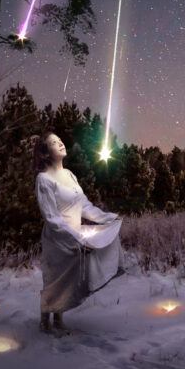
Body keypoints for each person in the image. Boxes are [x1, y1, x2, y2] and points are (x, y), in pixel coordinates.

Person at [34, 132, 123, 335]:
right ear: (46, 152)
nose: (61, 143)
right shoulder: (44, 179)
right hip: (57, 238)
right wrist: (75, 239)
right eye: (54, 143)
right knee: (54, 279)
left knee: (68, 280)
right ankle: (44, 323)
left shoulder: (70, 175)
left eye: (60, 140)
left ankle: (58, 320)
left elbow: (85, 206)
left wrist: (109, 218)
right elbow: (51, 216)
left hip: (75, 235)